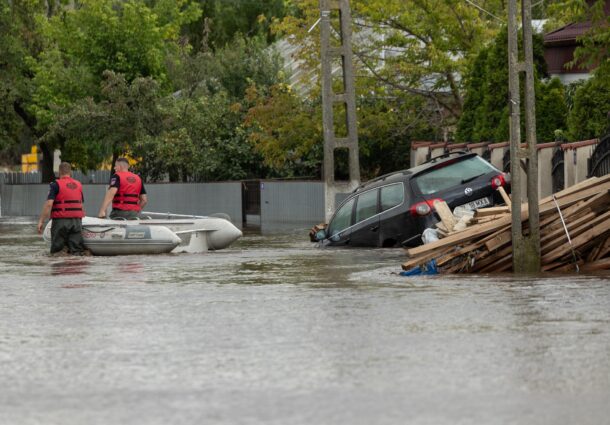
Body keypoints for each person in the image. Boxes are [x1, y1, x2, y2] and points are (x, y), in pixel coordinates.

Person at [37, 162, 86, 255]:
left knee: (57, 252)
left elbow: (48, 204)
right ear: (70, 172)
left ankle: (59, 269)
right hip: (76, 222)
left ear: (59, 172)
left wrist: (41, 221)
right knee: (77, 251)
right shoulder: (78, 184)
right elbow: (81, 205)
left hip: (61, 221)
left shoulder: (55, 184)